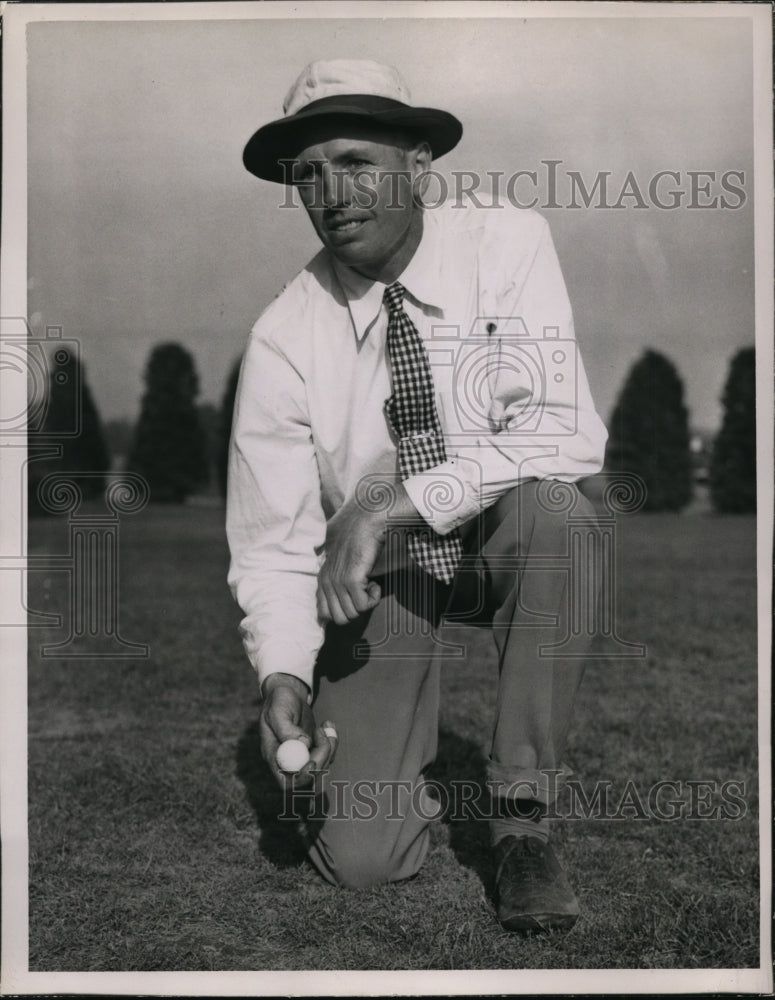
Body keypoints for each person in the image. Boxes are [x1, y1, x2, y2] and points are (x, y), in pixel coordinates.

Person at [227, 59, 608, 933]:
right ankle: (396, 767)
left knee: (560, 516)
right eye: (308, 175)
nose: (332, 193)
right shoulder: (283, 335)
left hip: (497, 538)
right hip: (386, 578)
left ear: (418, 162)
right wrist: (281, 673)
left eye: (356, 161)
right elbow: (273, 543)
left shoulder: (506, 242)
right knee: (362, 863)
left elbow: (565, 433)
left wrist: (389, 501)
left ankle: (521, 824)